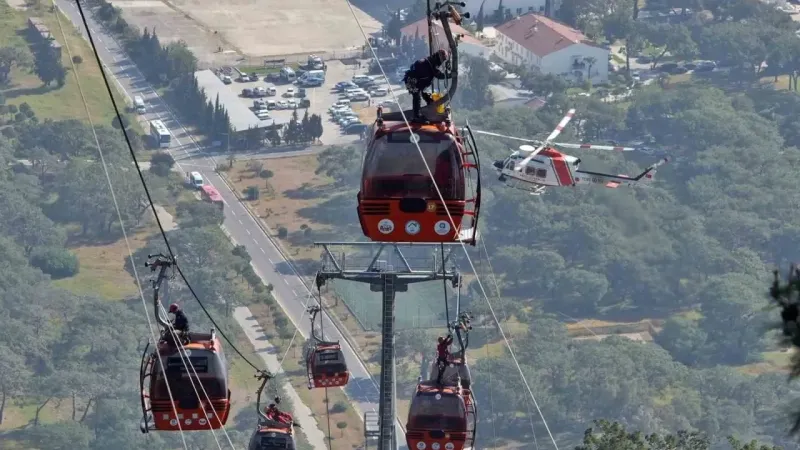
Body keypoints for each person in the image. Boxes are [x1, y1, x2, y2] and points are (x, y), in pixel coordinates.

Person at [403, 49, 450, 120]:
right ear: (438, 57)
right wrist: (451, 75)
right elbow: (439, 75)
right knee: (417, 97)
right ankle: (417, 116)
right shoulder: (431, 63)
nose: (442, 62)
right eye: (442, 60)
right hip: (412, 81)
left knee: (420, 93)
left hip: (416, 80)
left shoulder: (431, 61)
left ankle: (428, 102)